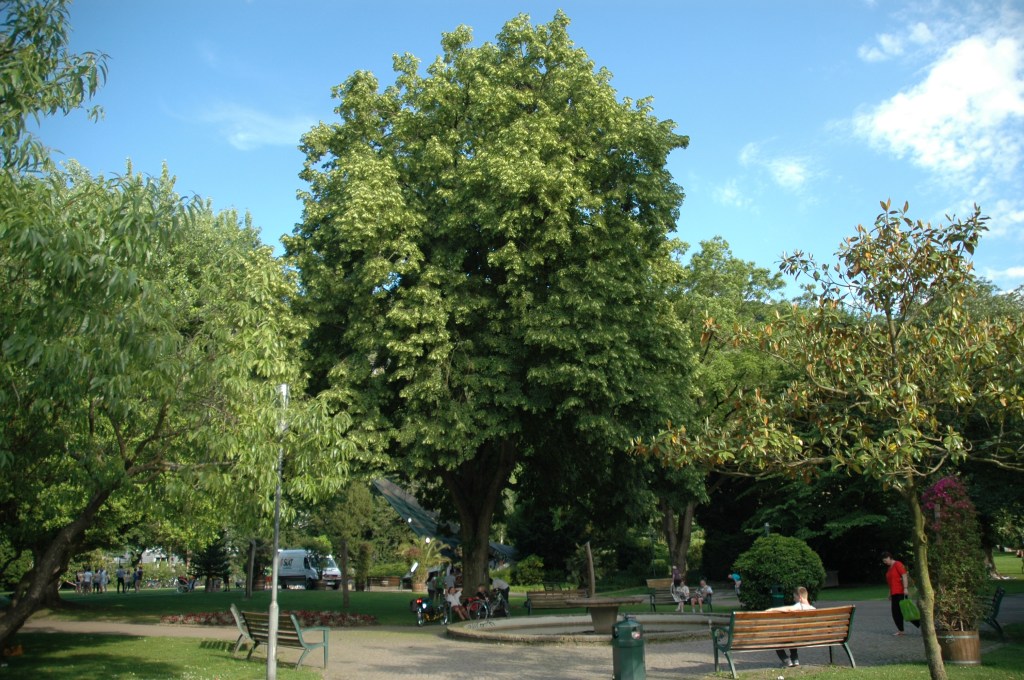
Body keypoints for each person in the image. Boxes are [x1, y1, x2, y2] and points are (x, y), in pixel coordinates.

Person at [768, 586, 814, 667]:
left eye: (794, 597)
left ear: (800, 597)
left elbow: (788, 609)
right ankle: (795, 659)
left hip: (797, 636)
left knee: (777, 640)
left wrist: (772, 609)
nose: (794, 599)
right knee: (792, 636)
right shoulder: (813, 609)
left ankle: (786, 660)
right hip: (810, 636)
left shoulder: (799, 606)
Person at [882, 551, 919, 635]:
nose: (885, 562)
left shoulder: (897, 564)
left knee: (907, 611)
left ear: (889, 557)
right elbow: (891, 583)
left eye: (885, 560)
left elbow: (904, 575)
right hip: (894, 593)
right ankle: (901, 630)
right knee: (896, 613)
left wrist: (905, 588)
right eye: (883, 561)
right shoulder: (889, 568)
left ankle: (923, 625)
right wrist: (890, 593)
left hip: (900, 592)